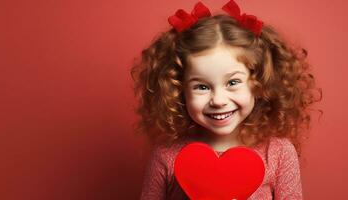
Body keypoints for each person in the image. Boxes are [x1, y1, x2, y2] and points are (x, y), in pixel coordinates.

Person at [129, 0, 322, 199]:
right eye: (202, 87)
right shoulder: (166, 155)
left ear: (258, 83)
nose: (218, 100)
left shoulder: (278, 153)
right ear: (179, 90)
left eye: (232, 82)